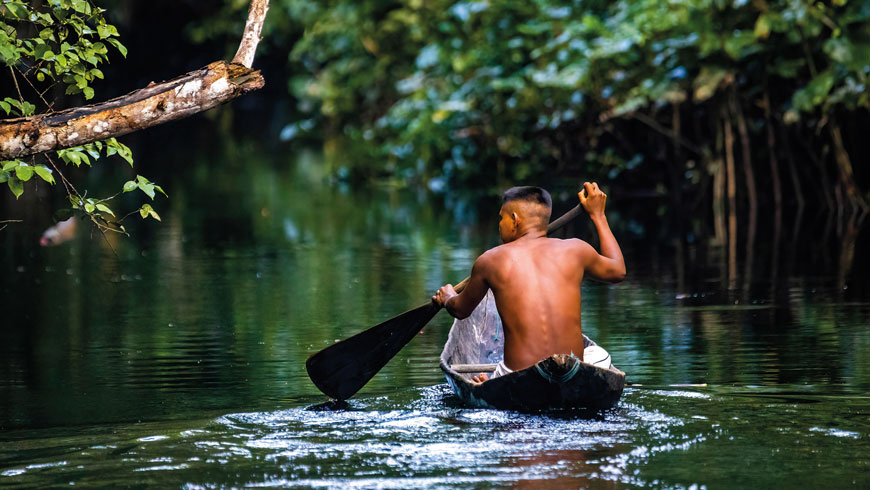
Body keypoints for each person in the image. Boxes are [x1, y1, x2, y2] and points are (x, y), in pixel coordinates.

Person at [432, 182, 625, 383]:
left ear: (515, 220)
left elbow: (461, 310)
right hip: (572, 372)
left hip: (517, 377)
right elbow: (618, 271)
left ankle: (491, 382)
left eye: (501, 218)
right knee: (596, 354)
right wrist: (598, 216)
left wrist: (448, 297)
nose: (499, 224)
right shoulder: (576, 250)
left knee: (499, 376)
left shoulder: (489, 261)